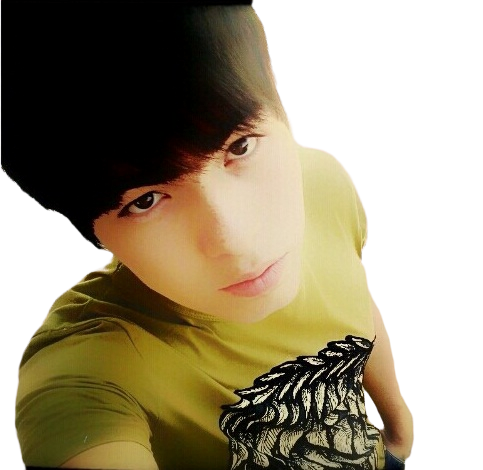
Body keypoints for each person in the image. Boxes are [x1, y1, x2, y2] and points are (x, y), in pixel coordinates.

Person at [2, 1, 415, 469]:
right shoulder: (85, 368)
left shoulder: (322, 182)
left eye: (240, 146)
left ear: (279, 99)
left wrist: (399, 426)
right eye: (146, 200)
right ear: (91, 232)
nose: (233, 240)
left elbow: (354, 297)